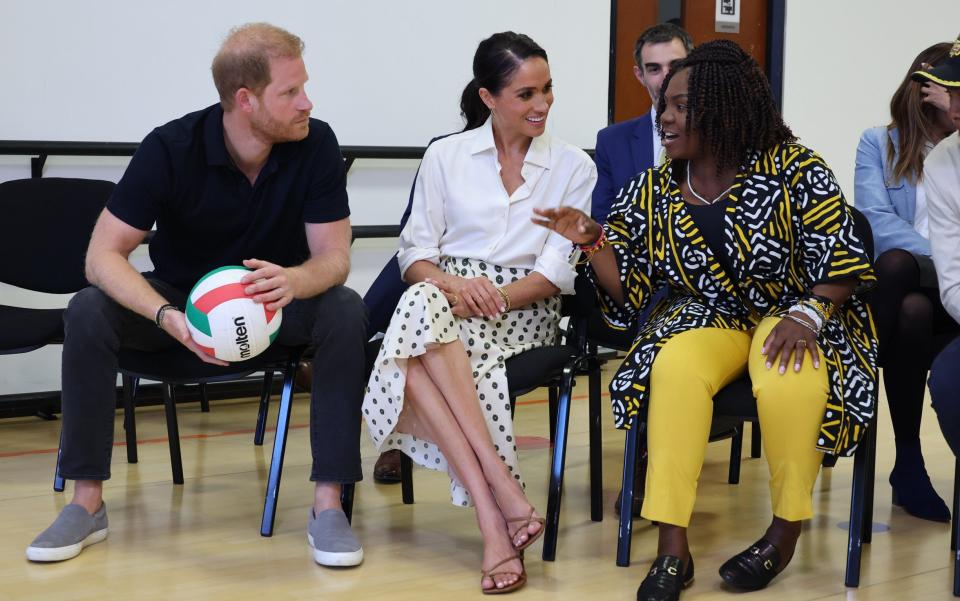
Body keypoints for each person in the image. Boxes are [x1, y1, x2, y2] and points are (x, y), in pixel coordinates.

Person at [532, 40, 877, 600]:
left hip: (795, 309)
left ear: (726, 109)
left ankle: (784, 532)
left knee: (788, 373)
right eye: (663, 103)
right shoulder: (658, 187)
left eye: (680, 105)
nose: (663, 116)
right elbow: (627, 291)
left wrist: (810, 312)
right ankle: (673, 547)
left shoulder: (796, 169)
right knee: (671, 368)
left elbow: (843, 257)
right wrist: (594, 241)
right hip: (709, 314)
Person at [25, 23, 367, 568]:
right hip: (180, 306)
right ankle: (86, 504)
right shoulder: (171, 147)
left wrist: (295, 281)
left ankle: (329, 506)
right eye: (290, 92)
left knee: (345, 310)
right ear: (245, 99)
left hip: (275, 301)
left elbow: (334, 257)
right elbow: (101, 257)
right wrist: (165, 316)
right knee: (87, 309)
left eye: (305, 86)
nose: (307, 101)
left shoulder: (316, 141)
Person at [361, 32, 595, 594]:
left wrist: (489, 296)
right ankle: (499, 508)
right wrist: (453, 286)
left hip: (523, 311)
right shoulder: (446, 153)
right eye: (525, 94)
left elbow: (556, 273)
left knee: (408, 354)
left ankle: (498, 511)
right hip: (444, 298)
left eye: (548, 89)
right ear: (489, 97)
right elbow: (415, 253)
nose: (542, 105)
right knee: (419, 303)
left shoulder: (572, 166)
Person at [855, 42, 959, 522]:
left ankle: (850, 378)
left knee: (897, 267)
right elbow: (874, 222)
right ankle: (909, 461)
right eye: (949, 88)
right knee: (905, 294)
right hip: (914, 294)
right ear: (921, 90)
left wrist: (944, 259)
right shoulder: (878, 143)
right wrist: (935, 255)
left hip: (955, 288)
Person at [592, 22, 692, 224]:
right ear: (640, 76)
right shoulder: (611, 142)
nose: (667, 77)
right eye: (654, 69)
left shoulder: (718, 138)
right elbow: (604, 224)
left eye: (676, 65)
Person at [919, 36, 960, 470]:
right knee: (949, 378)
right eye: (953, 93)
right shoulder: (943, 163)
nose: (955, 109)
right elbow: (952, 280)